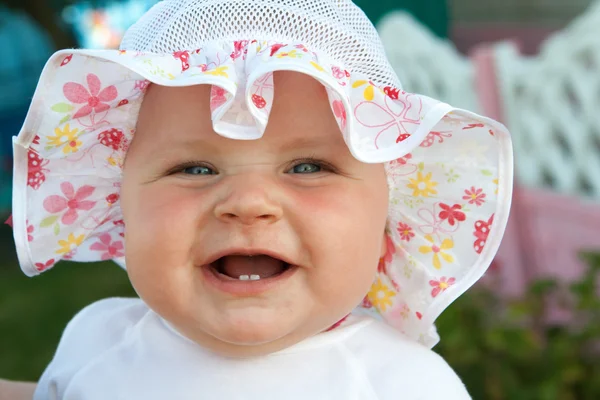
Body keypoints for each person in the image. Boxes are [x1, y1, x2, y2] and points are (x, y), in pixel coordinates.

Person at [7, 0, 513, 398]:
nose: (248, 203)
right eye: (194, 168)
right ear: (120, 208)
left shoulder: (405, 386)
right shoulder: (94, 342)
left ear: (388, 225)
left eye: (309, 167)